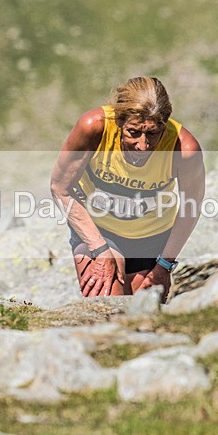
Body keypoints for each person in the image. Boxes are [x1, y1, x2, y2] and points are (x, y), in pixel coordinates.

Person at [50, 77, 205, 298]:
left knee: (141, 318)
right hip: (99, 232)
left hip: (153, 237)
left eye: (152, 134)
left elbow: (191, 207)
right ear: (119, 121)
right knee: (107, 308)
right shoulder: (94, 127)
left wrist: (165, 264)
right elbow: (60, 188)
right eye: (133, 132)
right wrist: (99, 248)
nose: (143, 145)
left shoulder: (184, 149)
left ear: (164, 124)